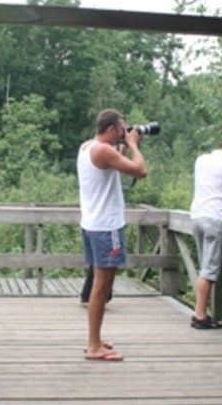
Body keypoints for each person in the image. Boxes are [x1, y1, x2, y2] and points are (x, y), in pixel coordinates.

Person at [77, 109, 147, 361]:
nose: (125, 132)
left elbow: (113, 164)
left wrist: (124, 146)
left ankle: (94, 339)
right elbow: (141, 171)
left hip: (92, 224)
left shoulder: (88, 147)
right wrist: (133, 144)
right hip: (107, 228)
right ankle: (93, 346)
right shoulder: (103, 151)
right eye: (122, 128)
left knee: (100, 286)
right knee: (101, 287)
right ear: (111, 130)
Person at [189, 139, 222, 330]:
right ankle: (200, 316)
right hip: (214, 218)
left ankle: (200, 313)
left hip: (196, 216)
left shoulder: (201, 160)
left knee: (204, 266)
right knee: (209, 270)